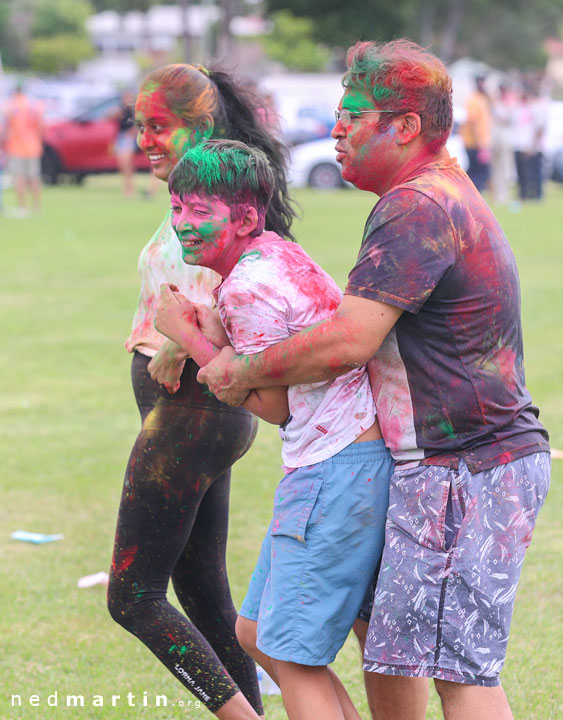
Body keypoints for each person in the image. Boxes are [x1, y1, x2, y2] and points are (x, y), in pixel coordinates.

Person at [196, 40, 551, 720]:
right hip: (450, 467)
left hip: (468, 466)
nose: (336, 129)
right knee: (406, 650)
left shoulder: (418, 206)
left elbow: (347, 341)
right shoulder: (428, 196)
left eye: (352, 114)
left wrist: (240, 368)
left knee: (460, 671)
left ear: (405, 126)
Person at [154, 139, 393, 720]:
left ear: (246, 218)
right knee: (257, 631)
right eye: (178, 207)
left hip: (334, 468)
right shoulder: (275, 253)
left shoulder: (247, 286)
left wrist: (186, 336)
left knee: (289, 655)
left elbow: (274, 405)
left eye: (200, 211)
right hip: (345, 462)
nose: (183, 224)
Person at [107, 64, 296, 719]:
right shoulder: (195, 193)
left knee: (133, 596)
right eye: (139, 126)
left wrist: (178, 339)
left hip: (194, 411)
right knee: (205, 593)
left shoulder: (216, 197)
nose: (146, 140)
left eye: (159, 126)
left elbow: (248, 269)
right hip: (192, 413)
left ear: (202, 124)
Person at [4, 83, 44, 216]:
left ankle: (23, 207)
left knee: (19, 178)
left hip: (17, 146)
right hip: (33, 145)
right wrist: (39, 141)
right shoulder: (34, 105)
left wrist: (4, 143)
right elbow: (42, 126)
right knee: (34, 178)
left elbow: (6, 127)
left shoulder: (11, 105)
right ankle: (37, 207)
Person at [513, 86, 547, 201]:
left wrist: (533, 145)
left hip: (534, 147)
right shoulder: (523, 108)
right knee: (524, 172)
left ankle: (537, 195)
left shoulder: (538, 107)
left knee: (534, 172)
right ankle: (526, 194)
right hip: (523, 145)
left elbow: (539, 129)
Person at [460, 76, 492, 192]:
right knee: (479, 171)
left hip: (481, 142)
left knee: (478, 170)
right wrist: (480, 143)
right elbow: (473, 123)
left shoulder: (482, 98)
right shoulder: (473, 100)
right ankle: (473, 194)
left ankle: (472, 193)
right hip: (474, 143)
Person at [490, 82, 517, 205]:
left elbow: (509, 119)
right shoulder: (496, 103)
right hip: (496, 138)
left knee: (505, 167)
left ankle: (503, 193)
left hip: (505, 138)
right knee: (496, 167)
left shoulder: (509, 103)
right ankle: (497, 193)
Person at [113, 90, 138, 197]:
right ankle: (126, 187)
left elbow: (137, 125)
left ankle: (130, 189)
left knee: (127, 163)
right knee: (122, 165)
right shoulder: (121, 110)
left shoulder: (134, 111)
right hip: (121, 137)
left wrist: (132, 134)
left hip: (128, 138)